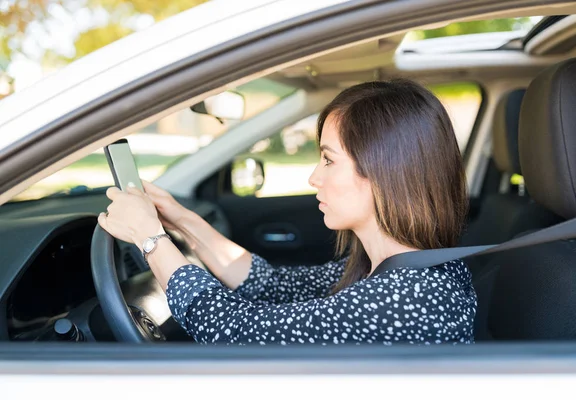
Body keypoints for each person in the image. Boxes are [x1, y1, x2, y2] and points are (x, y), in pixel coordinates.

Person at [98, 79, 477, 345]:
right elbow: (271, 286)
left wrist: (151, 240)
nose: (314, 177)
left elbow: (237, 334)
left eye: (329, 160)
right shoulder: (389, 269)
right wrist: (180, 218)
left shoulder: (411, 297)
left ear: (385, 172)